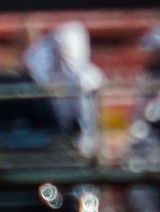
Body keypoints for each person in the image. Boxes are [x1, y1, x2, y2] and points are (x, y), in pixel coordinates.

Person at [23, 20, 106, 159]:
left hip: (78, 137)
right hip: (52, 135)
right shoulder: (44, 71)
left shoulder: (89, 79)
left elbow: (87, 120)